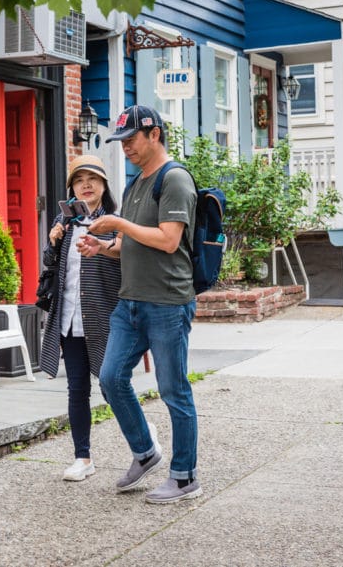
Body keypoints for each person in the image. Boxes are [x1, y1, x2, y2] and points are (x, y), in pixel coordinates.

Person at [80, 105, 202, 504]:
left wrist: (116, 224)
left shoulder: (175, 180)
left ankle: (185, 477)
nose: (126, 148)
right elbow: (130, 243)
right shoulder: (136, 184)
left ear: (154, 134)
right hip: (130, 303)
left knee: (173, 390)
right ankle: (145, 451)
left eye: (131, 139)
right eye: (122, 141)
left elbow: (168, 240)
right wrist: (103, 247)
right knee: (111, 378)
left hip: (167, 303)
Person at [38, 155, 124, 482]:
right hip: (70, 319)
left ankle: (144, 441)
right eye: (78, 180)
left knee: (114, 386)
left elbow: (123, 263)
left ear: (104, 185)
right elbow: (51, 265)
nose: (85, 185)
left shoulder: (115, 222)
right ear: (72, 189)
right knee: (77, 389)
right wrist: (54, 240)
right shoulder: (66, 224)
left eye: (92, 179)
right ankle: (82, 457)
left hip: (104, 318)